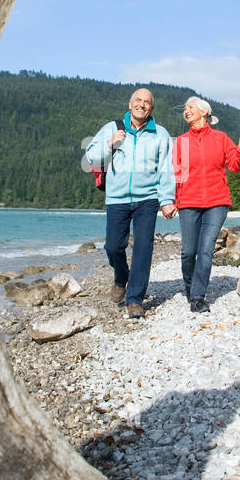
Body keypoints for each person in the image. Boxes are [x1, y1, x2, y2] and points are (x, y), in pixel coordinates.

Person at [84, 88, 176, 318]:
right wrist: (109, 143)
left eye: (147, 102)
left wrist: (166, 200)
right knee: (113, 247)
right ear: (130, 103)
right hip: (117, 198)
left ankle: (134, 299)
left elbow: (166, 170)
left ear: (151, 108)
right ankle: (120, 277)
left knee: (144, 248)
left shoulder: (160, 134)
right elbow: (91, 157)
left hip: (148, 198)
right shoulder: (112, 128)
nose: (142, 105)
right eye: (138, 100)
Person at [172, 96, 240, 312]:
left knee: (205, 250)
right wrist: (171, 201)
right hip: (188, 201)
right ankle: (190, 286)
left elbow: (235, 165)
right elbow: (177, 174)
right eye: (185, 108)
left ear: (204, 112)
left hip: (217, 202)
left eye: (190, 107)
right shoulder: (182, 141)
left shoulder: (221, 138)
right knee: (188, 251)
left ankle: (198, 296)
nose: (186, 111)